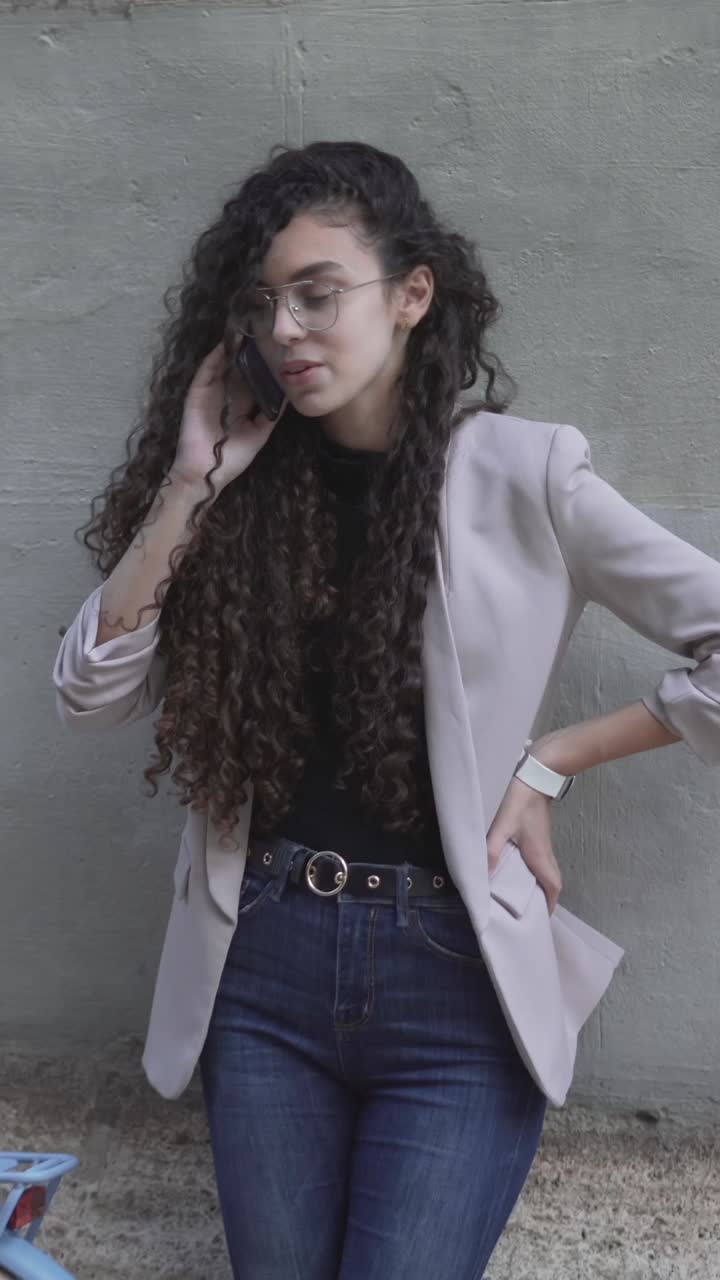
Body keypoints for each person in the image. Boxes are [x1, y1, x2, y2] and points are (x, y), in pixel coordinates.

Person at [52, 141, 720, 1279]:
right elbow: (90, 690)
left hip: (452, 980)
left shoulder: (525, 472)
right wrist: (190, 480)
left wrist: (555, 756)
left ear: (412, 295)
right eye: (264, 307)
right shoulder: (241, 488)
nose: (287, 330)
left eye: (320, 293)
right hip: (262, 970)